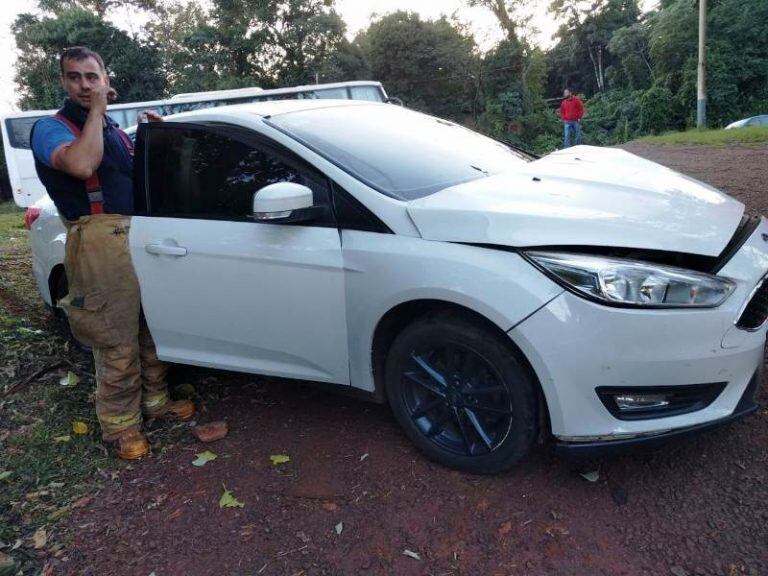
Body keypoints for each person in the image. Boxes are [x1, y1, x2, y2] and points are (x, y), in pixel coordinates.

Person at [30, 46, 195, 459]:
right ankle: (120, 427)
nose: (85, 85)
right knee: (114, 335)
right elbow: (83, 166)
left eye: (92, 76)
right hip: (99, 238)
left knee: (150, 325)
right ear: (64, 82)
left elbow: (137, 176)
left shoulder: (113, 130)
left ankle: (155, 404)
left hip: (138, 234)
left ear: (105, 77)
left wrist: (156, 141)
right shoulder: (51, 128)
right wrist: (98, 111)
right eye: (75, 77)